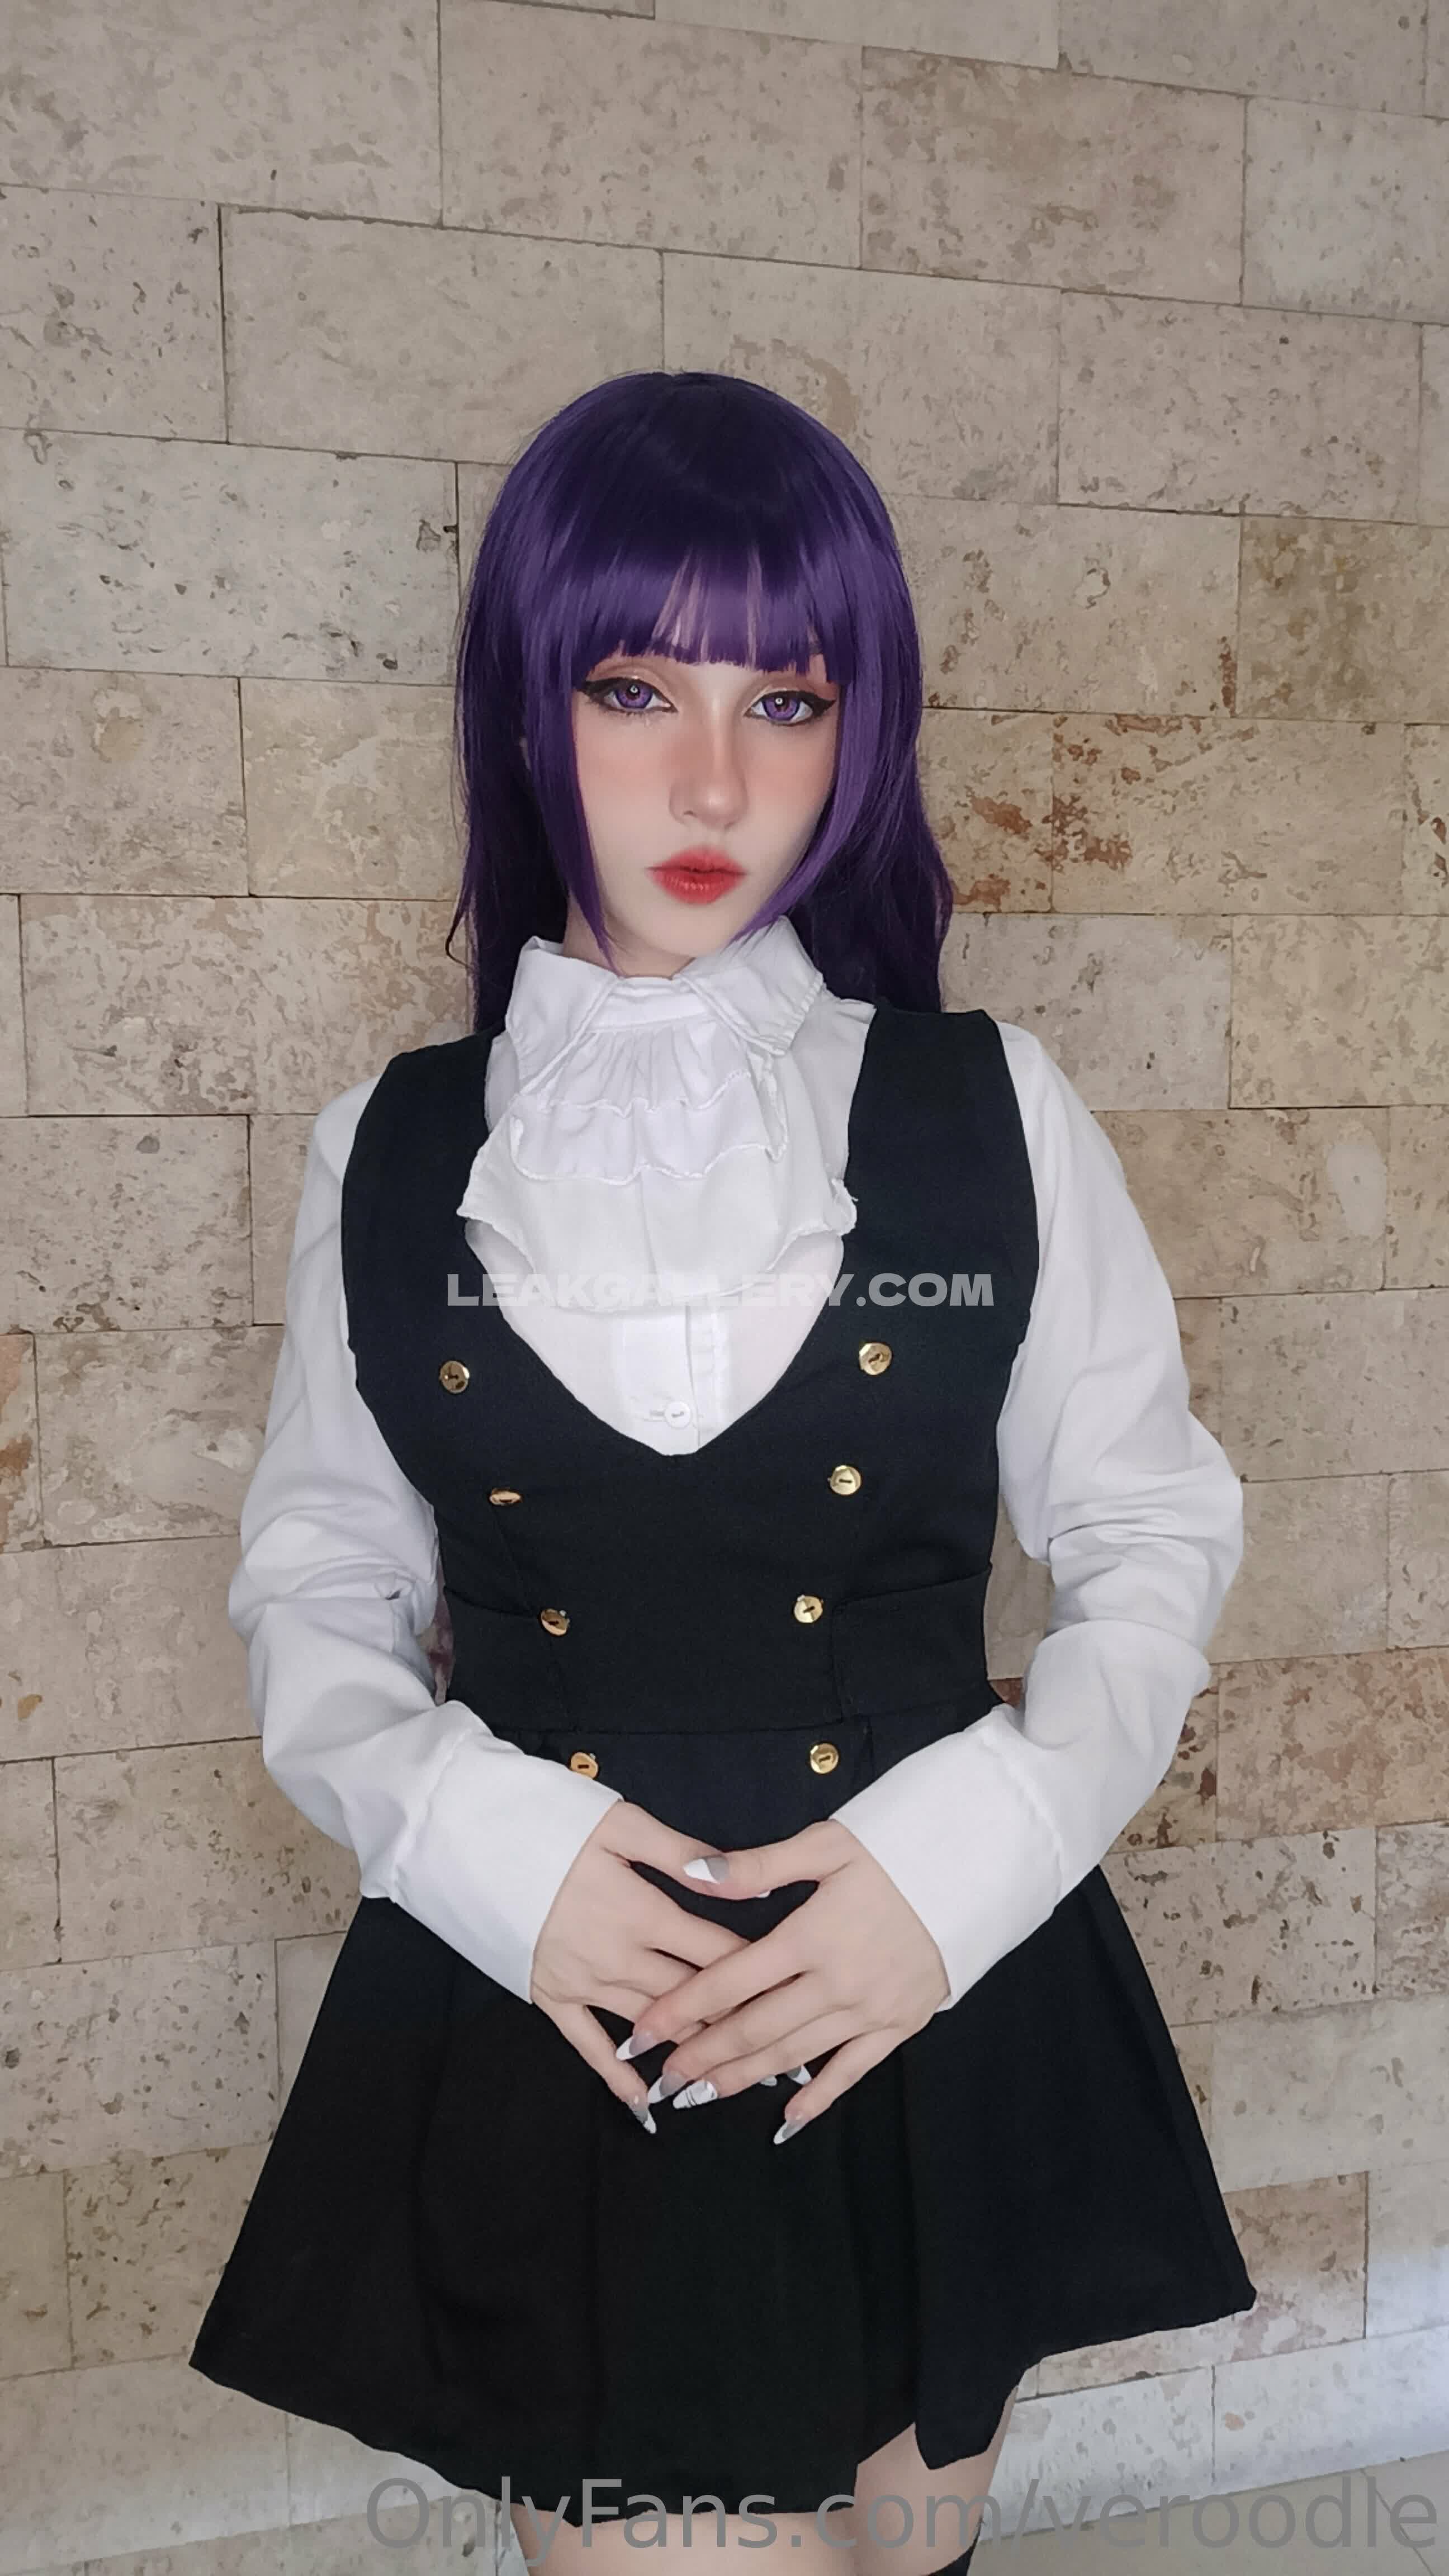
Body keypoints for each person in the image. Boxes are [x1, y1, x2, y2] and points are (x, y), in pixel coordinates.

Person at [189, 370, 1257, 2573]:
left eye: (785, 702)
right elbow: (318, 1585)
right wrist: (485, 1849)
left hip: (931, 1990)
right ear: (526, 707)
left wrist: (979, 1856)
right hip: (576, 2019)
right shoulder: (390, 1149)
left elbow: (1150, 1527)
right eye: (632, 689)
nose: (710, 782)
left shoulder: (989, 1106)